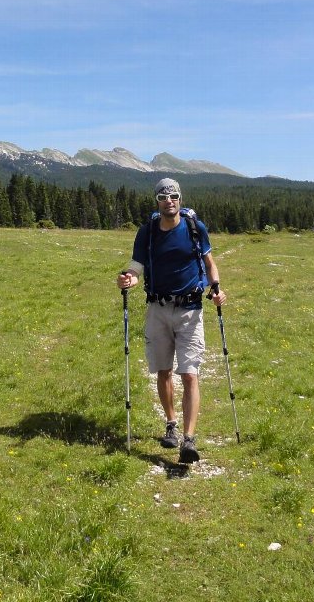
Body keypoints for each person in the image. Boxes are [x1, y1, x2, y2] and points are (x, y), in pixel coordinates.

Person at [116, 178, 226, 463]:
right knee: (163, 371)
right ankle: (171, 424)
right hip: (158, 309)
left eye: (174, 196)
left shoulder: (194, 228)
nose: (169, 201)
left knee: (189, 373)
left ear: (180, 198)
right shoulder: (147, 232)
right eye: (163, 197)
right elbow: (137, 265)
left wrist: (216, 288)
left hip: (190, 309)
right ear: (157, 201)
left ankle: (189, 440)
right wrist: (129, 277)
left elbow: (209, 261)